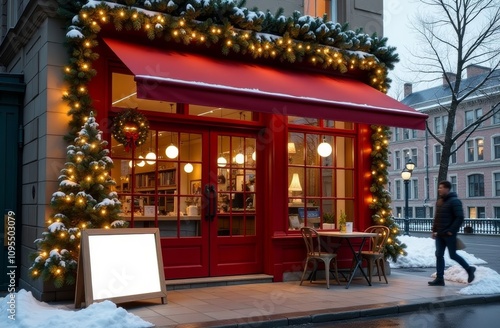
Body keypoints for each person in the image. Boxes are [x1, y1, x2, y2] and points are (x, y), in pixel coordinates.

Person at [428, 180, 476, 286]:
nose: (439, 189)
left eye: (441, 187)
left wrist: (451, 230)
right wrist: (434, 230)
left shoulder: (455, 201)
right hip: (440, 234)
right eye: (438, 187)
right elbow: (437, 217)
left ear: (447, 189)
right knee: (439, 255)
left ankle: (469, 269)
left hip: (449, 234)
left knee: (453, 255)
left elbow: (460, 217)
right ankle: (440, 279)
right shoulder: (440, 201)